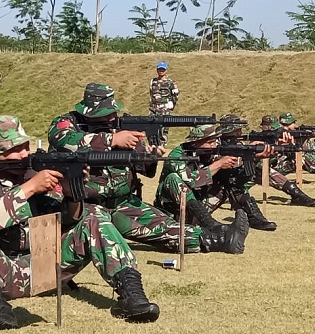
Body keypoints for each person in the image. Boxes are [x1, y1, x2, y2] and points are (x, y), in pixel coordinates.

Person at [0, 115, 159, 330]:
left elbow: (71, 219)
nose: (23, 154)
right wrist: (29, 188)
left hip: (46, 266)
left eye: (25, 146)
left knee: (94, 215)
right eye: (14, 149)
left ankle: (132, 295)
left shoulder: (38, 171)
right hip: (1, 272)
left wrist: (70, 192)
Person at [48, 83, 248, 254]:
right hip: (85, 206)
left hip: (123, 202)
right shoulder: (67, 123)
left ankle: (221, 236)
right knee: (143, 231)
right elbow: (65, 141)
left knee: (164, 224)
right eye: (105, 114)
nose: (111, 118)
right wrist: (112, 139)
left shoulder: (119, 129)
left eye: (111, 113)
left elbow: (145, 169)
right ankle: (216, 239)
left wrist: (151, 156)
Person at [153, 123, 254, 249]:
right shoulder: (177, 156)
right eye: (210, 142)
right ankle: (214, 226)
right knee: (172, 178)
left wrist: (252, 156)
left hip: (196, 210)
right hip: (170, 213)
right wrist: (218, 165)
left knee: (224, 179)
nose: (214, 145)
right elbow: (191, 180)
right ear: (196, 142)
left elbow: (234, 168)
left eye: (216, 141)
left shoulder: (209, 153)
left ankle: (247, 220)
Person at [254, 115, 315, 207]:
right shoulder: (257, 141)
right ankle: (297, 195)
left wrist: (288, 144)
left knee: (296, 161)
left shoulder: (275, 140)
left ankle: (298, 195)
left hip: (274, 168)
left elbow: (293, 155)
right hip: (251, 175)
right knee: (263, 168)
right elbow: (260, 161)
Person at [149, 61, 180, 146]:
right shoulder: (153, 81)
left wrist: (171, 106)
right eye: (159, 69)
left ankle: (162, 146)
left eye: (163, 69)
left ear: (166, 70)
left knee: (163, 130)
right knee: (151, 128)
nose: (161, 71)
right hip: (154, 109)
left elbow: (176, 95)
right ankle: (153, 145)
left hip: (164, 110)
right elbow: (151, 94)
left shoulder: (171, 83)